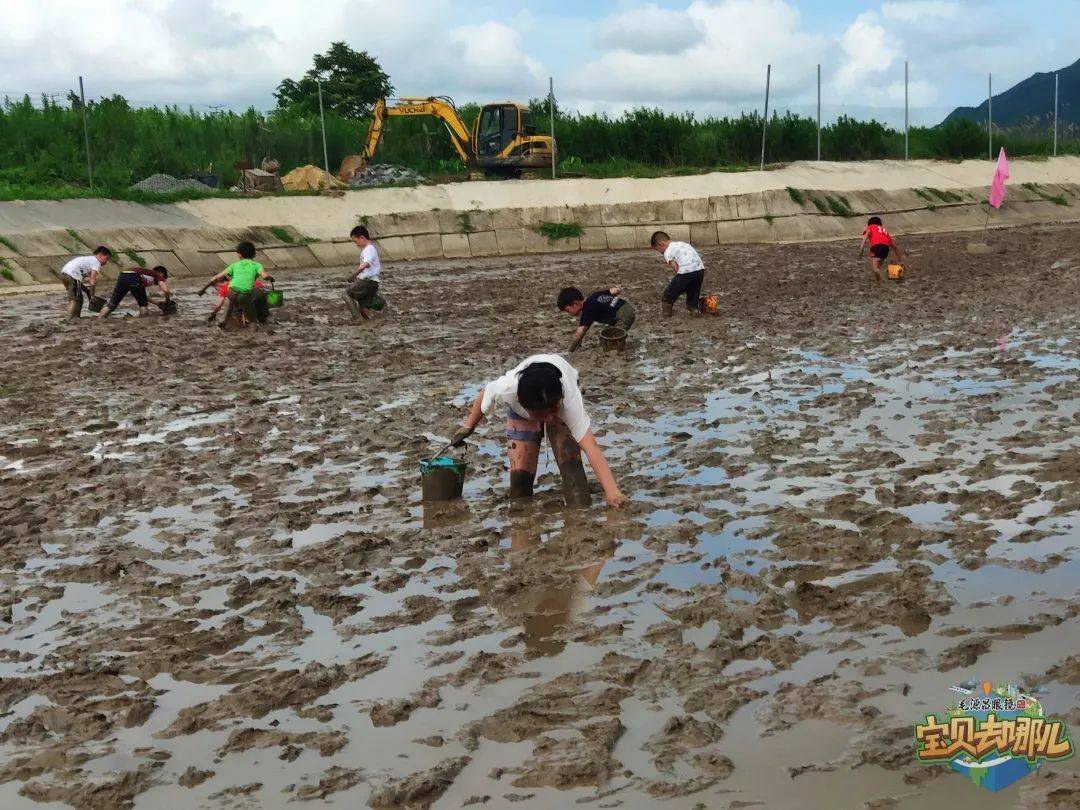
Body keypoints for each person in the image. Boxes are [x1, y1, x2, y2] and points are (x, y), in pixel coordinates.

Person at [451, 354, 628, 508]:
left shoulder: (568, 401)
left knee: (572, 470)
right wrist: (468, 427)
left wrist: (612, 492)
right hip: (527, 409)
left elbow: (591, 447)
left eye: (552, 411)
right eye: (543, 415)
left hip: (559, 398)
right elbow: (484, 395)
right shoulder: (507, 388)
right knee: (520, 481)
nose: (549, 418)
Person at [199, 241, 272, 328]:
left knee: (231, 301)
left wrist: (203, 289)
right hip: (245, 295)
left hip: (231, 292)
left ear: (240, 254)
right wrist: (269, 278)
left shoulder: (234, 265)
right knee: (253, 320)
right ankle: (254, 334)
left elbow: (215, 278)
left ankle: (225, 322)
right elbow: (264, 275)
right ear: (254, 254)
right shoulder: (257, 265)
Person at [556, 286, 636, 352]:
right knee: (606, 332)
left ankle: (619, 352)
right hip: (627, 307)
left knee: (611, 339)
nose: (569, 313)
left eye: (567, 310)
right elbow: (616, 290)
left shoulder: (587, 310)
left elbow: (579, 334)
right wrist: (611, 303)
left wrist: (570, 351)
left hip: (623, 316)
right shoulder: (595, 295)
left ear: (575, 303)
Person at [650, 231, 704, 317]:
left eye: (658, 250)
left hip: (685, 273)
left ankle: (666, 314)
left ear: (661, 244)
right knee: (693, 291)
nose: (660, 252)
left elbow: (676, 267)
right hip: (700, 270)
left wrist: (679, 281)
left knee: (668, 294)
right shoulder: (684, 244)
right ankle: (693, 309)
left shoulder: (667, 252)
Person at [98, 265, 170, 318]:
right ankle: (142, 322)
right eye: (164, 278)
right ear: (162, 274)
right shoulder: (157, 275)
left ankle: (99, 320)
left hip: (122, 275)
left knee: (112, 304)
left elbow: (141, 295)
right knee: (143, 305)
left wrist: (156, 303)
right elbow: (166, 291)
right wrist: (167, 302)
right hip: (134, 276)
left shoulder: (146, 275)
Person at [59, 246, 111, 319]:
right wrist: (92, 295)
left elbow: (78, 283)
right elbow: (92, 280)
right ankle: (69, 318)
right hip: (72, 275)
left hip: (64, 274)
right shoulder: (96, 262)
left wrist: (87, 291)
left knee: (78, 298)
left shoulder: (88, 260)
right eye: (106, 259)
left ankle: (76, 317)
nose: (106, 262)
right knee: (74, 299)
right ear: (100, 255)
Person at [345, 225, 381, 320]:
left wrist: (354, 275)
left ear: (362, 237)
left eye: (355, 241)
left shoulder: (368, 249)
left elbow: (365, 264)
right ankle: (372, 323)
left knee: (346, 294)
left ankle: (357, 318)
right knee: (364, 309)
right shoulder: (371, 249)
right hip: (374, 283)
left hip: (366, 282)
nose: (356, 244)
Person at [859, 216, 903, 281]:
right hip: (886, 248)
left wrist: (861, 247)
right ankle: (886, 276)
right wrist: (900, 261)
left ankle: (882, 282)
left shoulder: (871, 227)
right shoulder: (885, 231)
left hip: (876, 247)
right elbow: (895, 247)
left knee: (875, 269)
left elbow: (865, 235)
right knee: (879, 267)